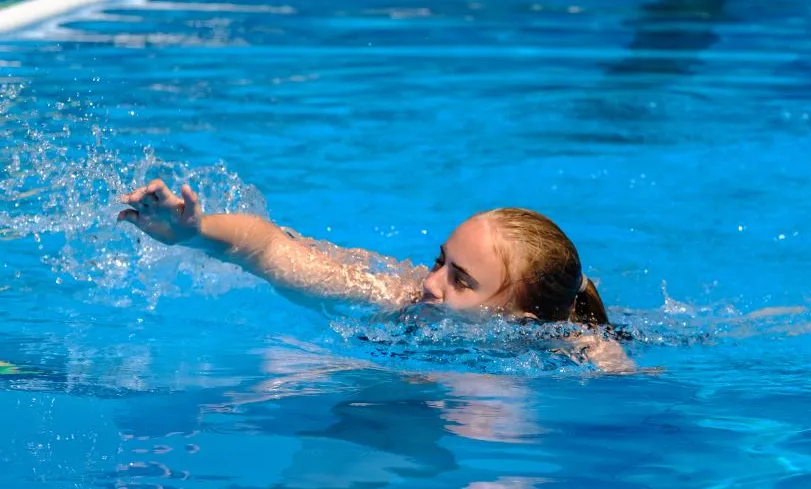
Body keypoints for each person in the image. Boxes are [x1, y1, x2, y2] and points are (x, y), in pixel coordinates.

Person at [117, 179, 631, 371]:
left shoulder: (578, 354)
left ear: (520, 320)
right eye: (440, 262)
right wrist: (195, 233)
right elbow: (270, 246)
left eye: (461, 281)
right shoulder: (394, 297)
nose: (430, 284)